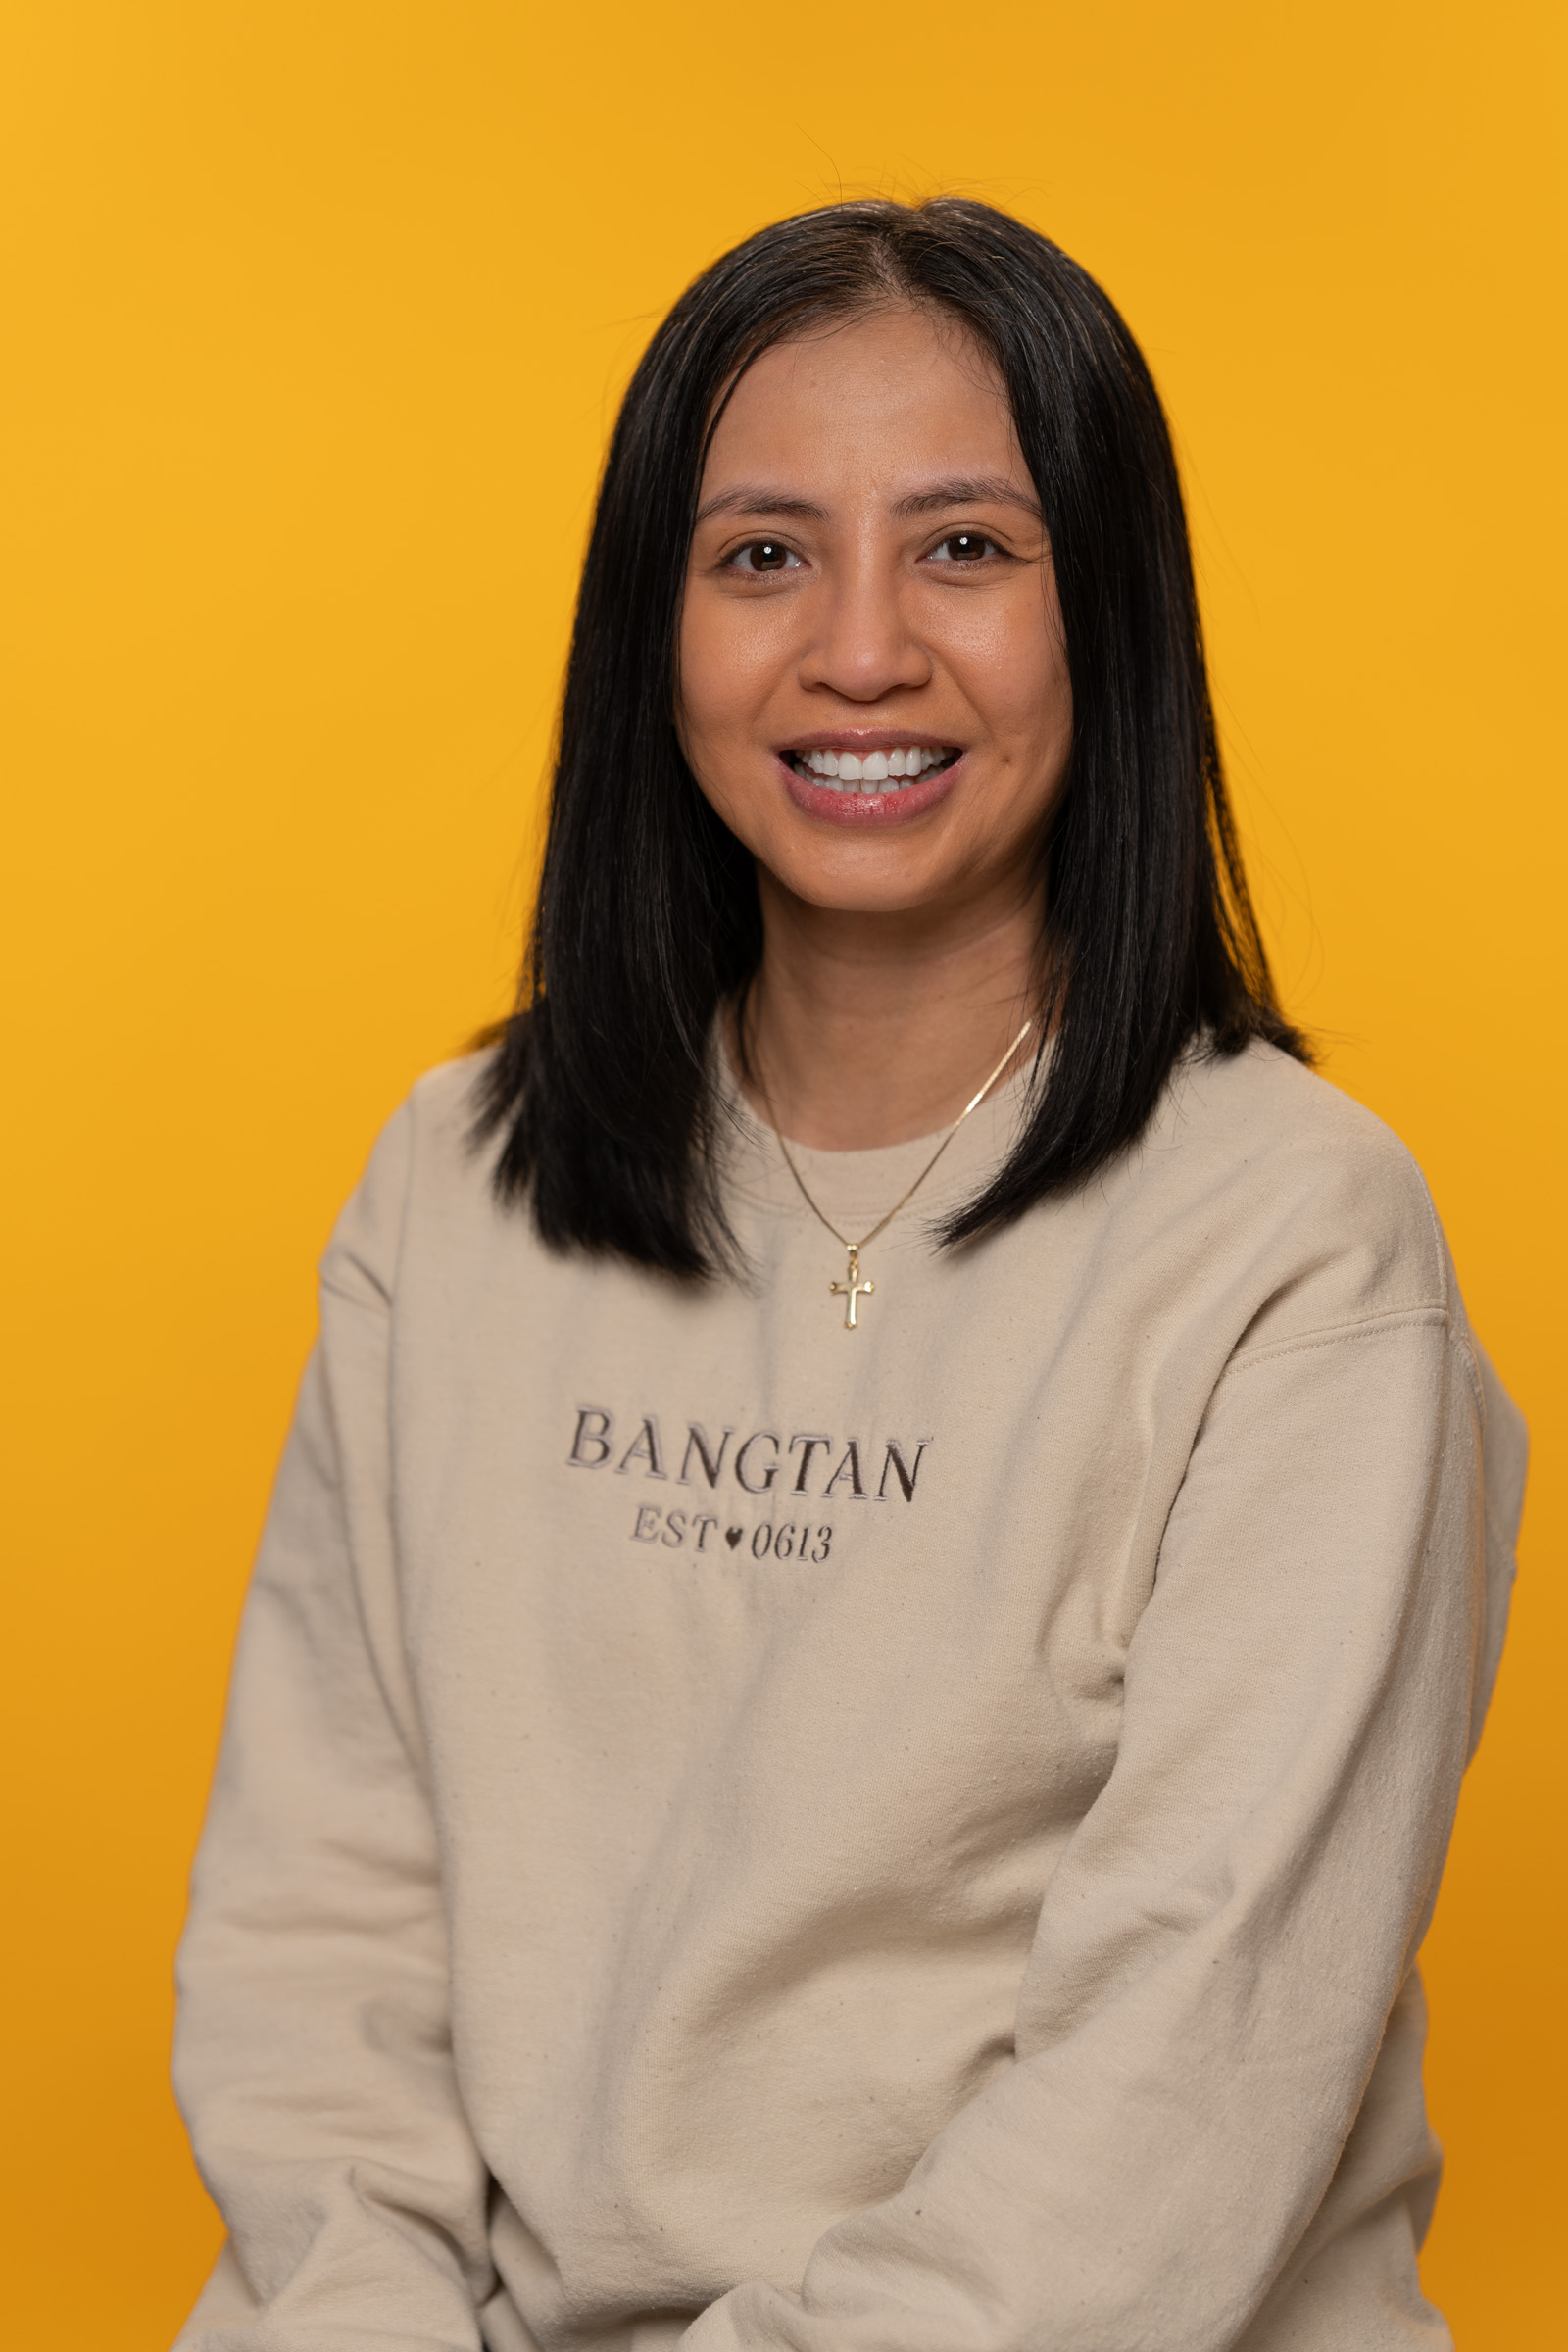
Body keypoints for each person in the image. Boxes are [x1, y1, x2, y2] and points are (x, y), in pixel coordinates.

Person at [172, 197, 1526, 2352]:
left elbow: (1181, 2085)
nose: (861, 650)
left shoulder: (1293, 1245)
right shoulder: (455, 1184)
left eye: (966, 549)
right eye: (763, 554)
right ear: (658, 629)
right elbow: (321, 1941)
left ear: (1112, 616)